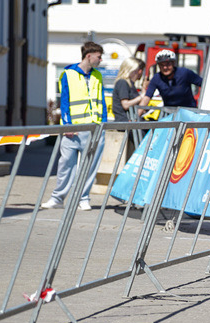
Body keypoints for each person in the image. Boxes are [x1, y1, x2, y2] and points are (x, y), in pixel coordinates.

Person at [42, 41, 107, 211]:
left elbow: (102, 101)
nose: (100, 60)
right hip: (73, 129)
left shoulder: (97, 76)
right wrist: (67, 125)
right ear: (89, 56)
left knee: (89, 167)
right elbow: (64, 102)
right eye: (99, 57)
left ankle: (83, 198)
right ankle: (57, 198)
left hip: (94, 128)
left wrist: (103, 124)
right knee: (65, 165)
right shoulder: (68, 74)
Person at [111, 57, 144, 123]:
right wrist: (140, 98)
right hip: (124, 121)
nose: (140, 72)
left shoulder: (130, 84)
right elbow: (125, 105)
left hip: (130, 119)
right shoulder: (122, 82)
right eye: (137, 70)